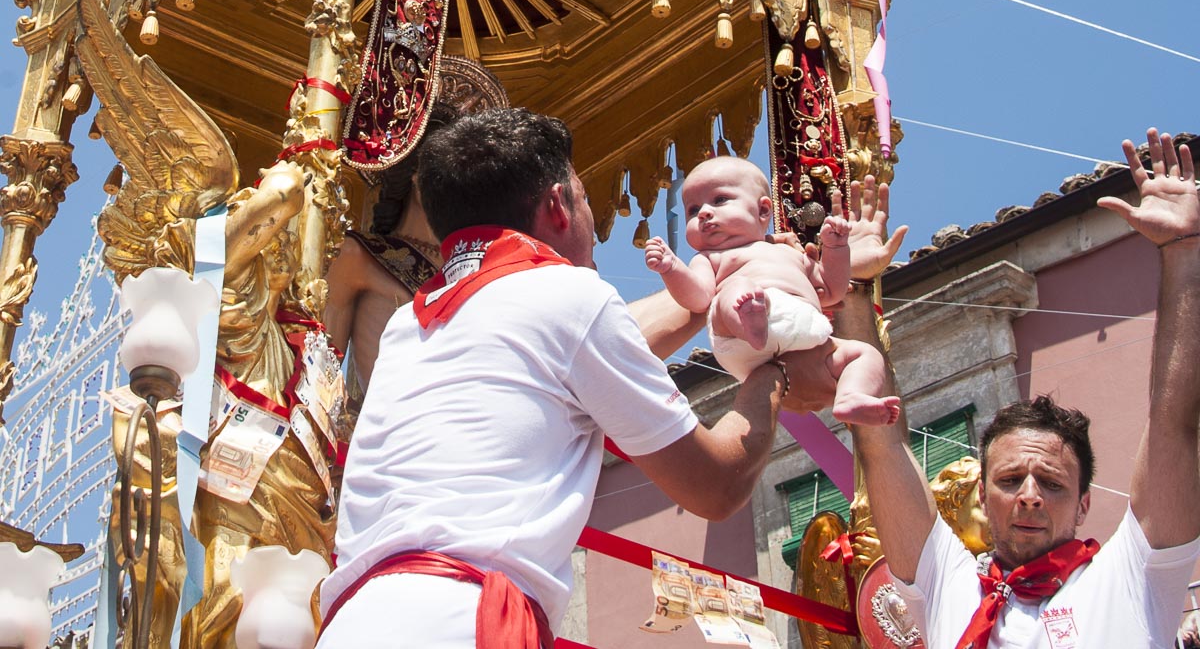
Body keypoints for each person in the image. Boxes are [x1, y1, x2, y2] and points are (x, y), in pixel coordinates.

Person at [316, 108, 810, 648]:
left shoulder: (410, 324)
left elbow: (578, 347)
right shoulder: (570, 299)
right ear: (556, 205)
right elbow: (716, 484)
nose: (595, 225)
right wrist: (775, 356)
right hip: (464, 617)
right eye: (584, 199)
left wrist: (721, 279)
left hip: (353, 620)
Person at [850, 128, 1200, 648]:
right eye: (1010, 480)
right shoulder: (947, 582)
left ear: (1084, 505)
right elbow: (882, 442)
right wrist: (854, 295)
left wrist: (1183, 253)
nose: (1031, 497)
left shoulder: (1135, 574)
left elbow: (1176, 422)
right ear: (983, 496)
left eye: (1054, 484)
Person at [644, 156, 899, 425]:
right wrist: (671, 268)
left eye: (719, 201)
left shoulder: (790, 253)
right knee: (736, 290)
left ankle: (852, 396)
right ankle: (751, 322)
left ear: (763, 211)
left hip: (806, 332)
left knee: (865, 353)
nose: (704, 213)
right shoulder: (710, 259)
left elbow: (832, 291)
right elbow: (699, 299)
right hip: (740, 335)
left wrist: (837, 249)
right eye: (693, 211)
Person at [324, 102, 458, 393]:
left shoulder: (467, 273)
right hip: (386, 429)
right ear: (416, 175)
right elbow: (321, 367)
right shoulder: (358, 257)